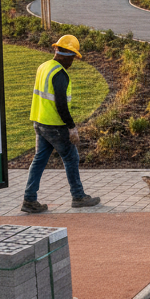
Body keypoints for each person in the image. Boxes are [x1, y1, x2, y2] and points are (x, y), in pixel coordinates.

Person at [23, 34, 101, 214]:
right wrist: (71, 126)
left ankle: (29, 199)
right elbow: (61, 104)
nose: (72, 62)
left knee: (39, 160)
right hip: (55, 125)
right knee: (71, 157)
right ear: (67, 55)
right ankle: (78, 196)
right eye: (73, 57)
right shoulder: (60, 74)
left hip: (39, 121)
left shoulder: (44, 67)